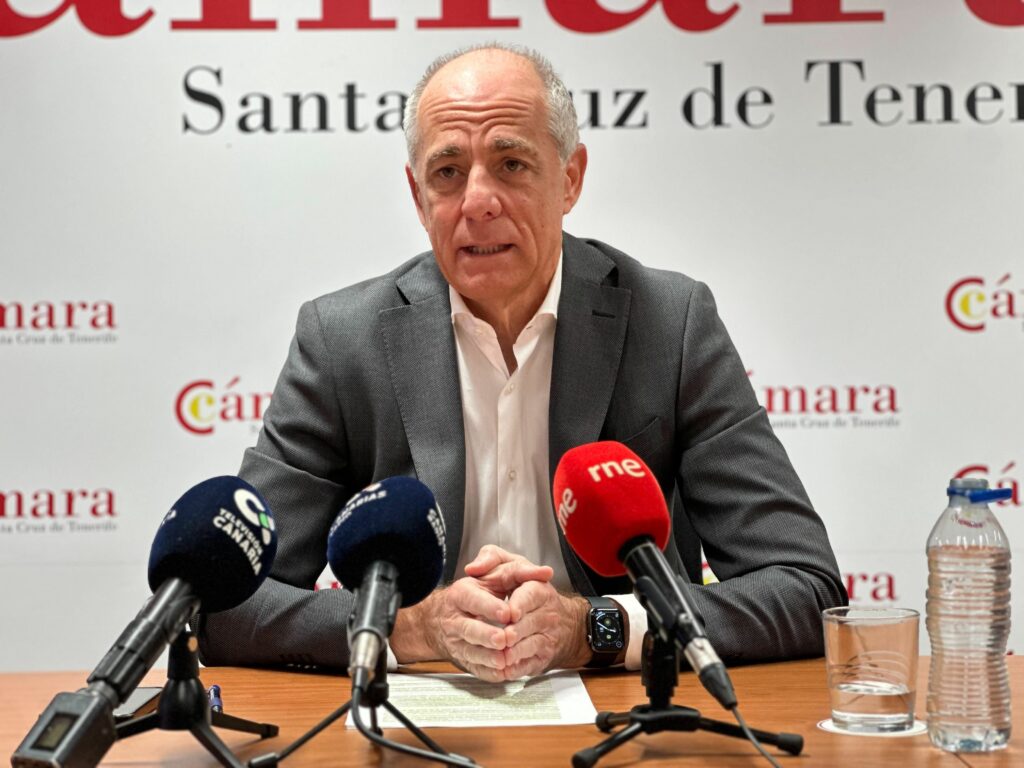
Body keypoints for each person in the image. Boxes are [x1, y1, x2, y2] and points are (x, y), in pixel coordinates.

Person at [197, 44, 846, 682]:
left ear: (570, 178)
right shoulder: (343, 340)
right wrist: (412, 627)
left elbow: (805, 586)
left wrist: (591, 628)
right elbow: (224, 603)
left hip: (619, 701)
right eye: (447, 172)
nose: (478, 200)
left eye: (511, 164)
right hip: (419, 706)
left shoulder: (669, 323)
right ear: (418, 196)